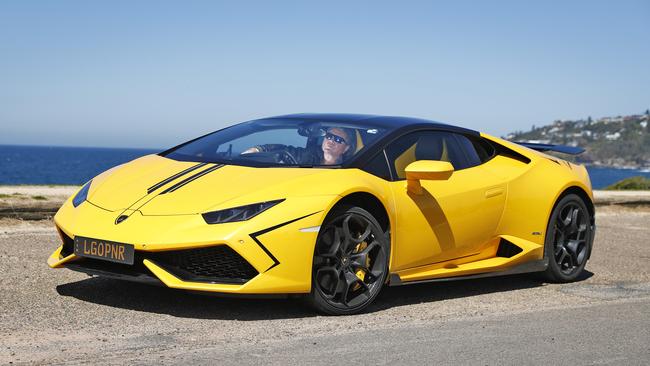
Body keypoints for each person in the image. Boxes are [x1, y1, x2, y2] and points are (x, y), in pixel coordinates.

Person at [242, 127, 356, 165]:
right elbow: (283, 149)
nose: (331, 141)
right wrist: (259, 149)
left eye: (337, 139)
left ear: (346, 148)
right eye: (329, 136)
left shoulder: (351, 166)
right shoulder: (307, 155)